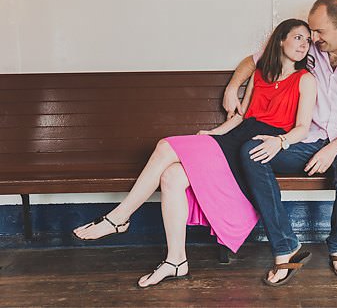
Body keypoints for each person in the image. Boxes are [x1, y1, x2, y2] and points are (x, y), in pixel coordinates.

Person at [73, 18, 317, 288]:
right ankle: (176, 260)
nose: (304, 44)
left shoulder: (305, 80)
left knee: (166, 146)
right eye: (298, 37)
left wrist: (280, 141)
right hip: (236, 138)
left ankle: (118, 218)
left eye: (307, 40)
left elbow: (303, 128)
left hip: (259, 145)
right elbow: (242, 116)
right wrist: (215, 132)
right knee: (172, 177)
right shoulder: (260, 74)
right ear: (281, 40)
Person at [222, 0, 337, 286]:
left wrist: (332, 151)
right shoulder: (310, 53)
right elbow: (256, 60)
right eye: (311, 31)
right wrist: (233, 87)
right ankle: (285, 245)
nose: (313, 37)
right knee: (251, 151)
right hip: (308, 142)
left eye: (319, 31)